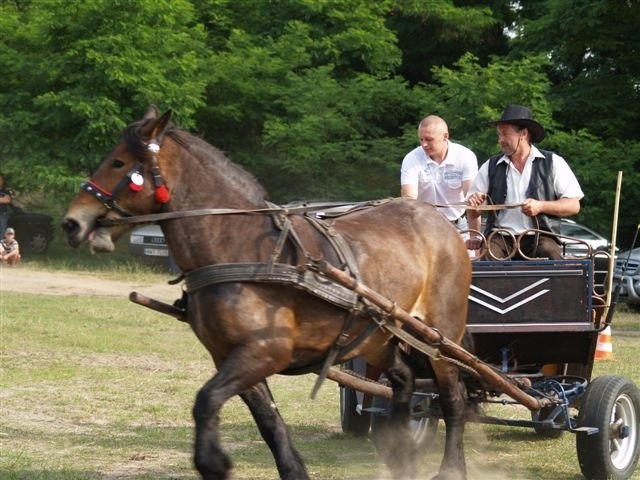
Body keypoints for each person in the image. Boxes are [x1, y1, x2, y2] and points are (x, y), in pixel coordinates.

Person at [467, 104, 584, 260]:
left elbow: (573, 205)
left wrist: (541, 206)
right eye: (499, 135)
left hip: (540, 236)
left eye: (505, 134)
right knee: (488, 256)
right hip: (500, 237)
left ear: (523, 133)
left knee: (549, 253)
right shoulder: (490, 166)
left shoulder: (553, 162)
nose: (500, 140)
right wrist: (475, 204)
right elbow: (472, 212)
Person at [401, 115, 479, 232]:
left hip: (458, 226)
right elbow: (409, 198)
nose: (424, 145)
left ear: (445, 136)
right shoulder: (412, 158)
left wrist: (476, 236)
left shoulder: (465, 156)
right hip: (424, 227)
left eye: (429, 139)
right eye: (421, 139)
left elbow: (472, 200)